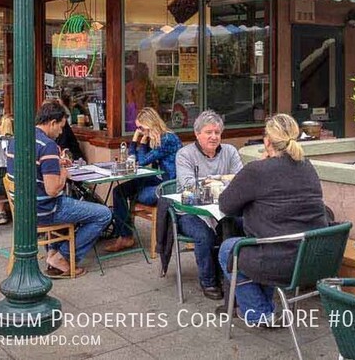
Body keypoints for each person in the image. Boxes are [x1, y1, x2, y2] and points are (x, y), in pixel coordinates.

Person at [217, 114, 328, 325]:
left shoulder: (257, 170)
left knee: (228, 249)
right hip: (311, 258)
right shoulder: (307, 166)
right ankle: (265, 308)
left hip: (278, 261)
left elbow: (226, 206)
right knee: (261, 238)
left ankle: (259, 313)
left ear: (267, 141)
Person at [5, 100, 112, 278]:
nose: (61, 132)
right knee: (103, 214)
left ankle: (53, 252)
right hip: (45, 210)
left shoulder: (17, 139)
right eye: (61, 127)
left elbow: (30, 167)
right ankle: (62, 257)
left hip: (24, 209)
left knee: (77, 206)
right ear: (52, 123)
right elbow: (53, 190)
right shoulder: (47, 145)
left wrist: (54, 163)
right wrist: (63, 171)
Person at [175, 110, 243, 300]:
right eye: (208, 132)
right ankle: (209, 281)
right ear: (197, 134)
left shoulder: (229, 151)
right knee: (204, 236)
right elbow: (189, 184)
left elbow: (240, 179)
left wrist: (211, 182)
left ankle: (234, 275)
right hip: (190, 211)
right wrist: (223, 180)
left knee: (246, 224)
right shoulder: (184, 155)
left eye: (217, 133)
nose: (214, 137)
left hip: (224, 209)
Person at [106, 107, 182, 252]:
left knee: (140, 196)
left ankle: (126, 234)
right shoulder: (154, 138)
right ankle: (125, 236)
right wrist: (135, 140)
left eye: (141, 127)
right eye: (138, 128)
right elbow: (132, 159)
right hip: (155, 178)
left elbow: (142, 161)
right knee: (119, 191)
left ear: (150, 124)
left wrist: (140, 142)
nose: (140, 131)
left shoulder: (167, 139)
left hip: (168, 184)